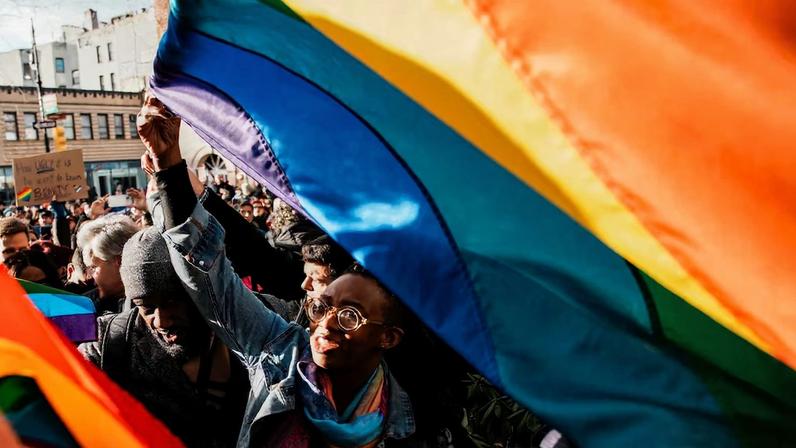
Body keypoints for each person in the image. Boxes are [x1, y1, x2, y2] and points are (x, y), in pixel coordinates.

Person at [139, 95, 442, 447]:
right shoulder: (281, 353)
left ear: (389, 337)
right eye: (319, 306)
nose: (324, 324)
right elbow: (209, 278)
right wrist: (169, 168)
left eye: (349, 316)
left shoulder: (416, 418)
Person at [79, 227, 249, 447]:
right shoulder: (108, 344)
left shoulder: (252, 327)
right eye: (146, 307)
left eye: (171, 303)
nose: (161, 321)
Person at [75, 214, 138, 314]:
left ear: (119, 261)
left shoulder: (157, 303)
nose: (90, 276)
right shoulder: (83, 307)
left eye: (94, 267)